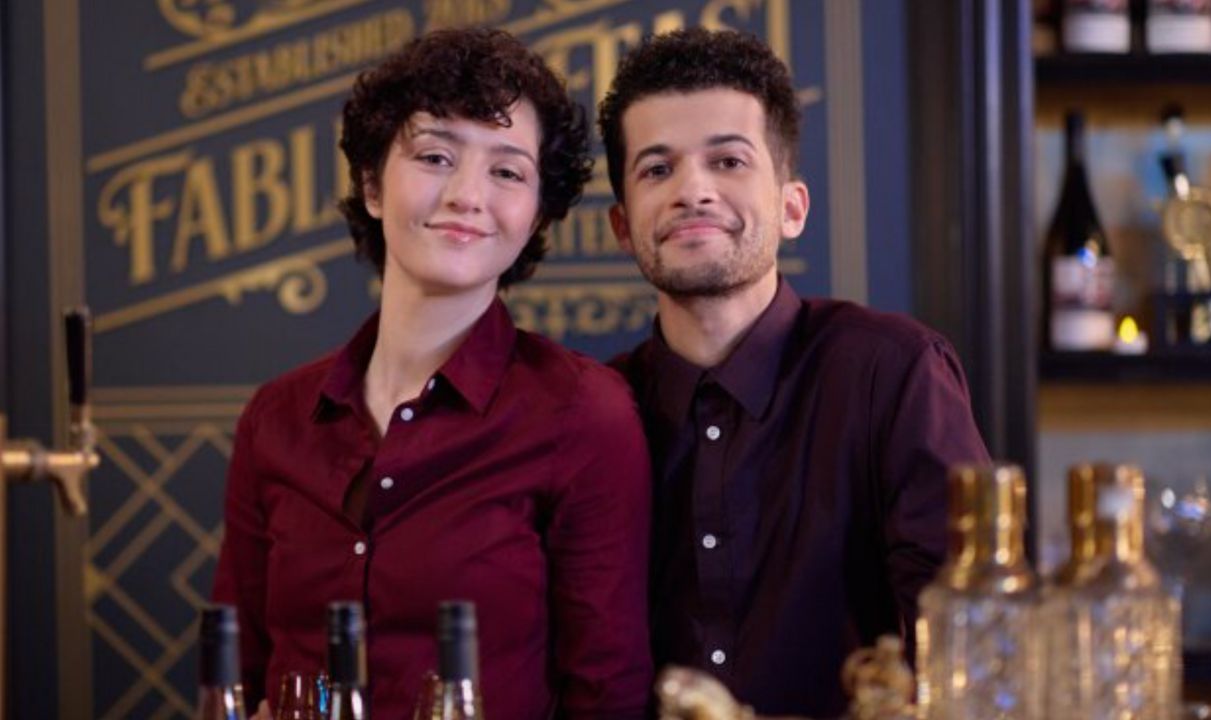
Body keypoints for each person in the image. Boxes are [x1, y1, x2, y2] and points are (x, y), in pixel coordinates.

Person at [213, 27, 652, 720]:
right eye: (435, 156)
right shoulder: (275, 416)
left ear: (536, 213)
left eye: (507, 171)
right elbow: (237, 677)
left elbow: (607, 693)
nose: (466, 195)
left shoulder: (582, 414)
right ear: (371, 185)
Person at [597, 27, 990, 717]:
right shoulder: (596, 411)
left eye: (728, 161)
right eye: (657, 169)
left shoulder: (893, 374)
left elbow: (973, 639)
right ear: (623, 227)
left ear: (792, 208)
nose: (693, 191)